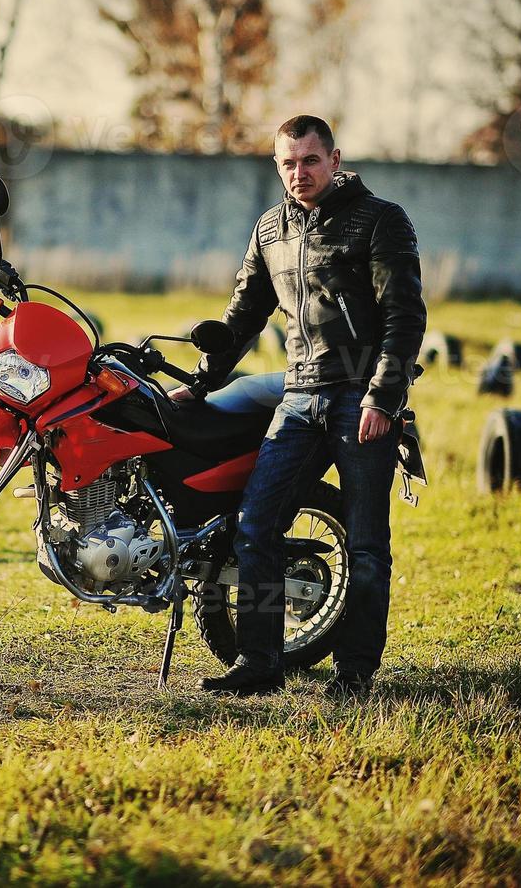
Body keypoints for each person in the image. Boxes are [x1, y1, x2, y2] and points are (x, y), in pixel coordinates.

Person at [177, 114, 427, 698]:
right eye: (287, 163)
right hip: (299, 395)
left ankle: (354, 673)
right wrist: (202, 381)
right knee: (255, 527)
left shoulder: (380, 220)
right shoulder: (270, 229)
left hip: (360, 395)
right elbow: (243, 316)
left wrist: (383, 398)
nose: (299, 173)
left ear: (335, 160)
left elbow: (405, 317)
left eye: (310, 161)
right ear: (276, 165)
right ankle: (259, 664)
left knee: (366, 543)